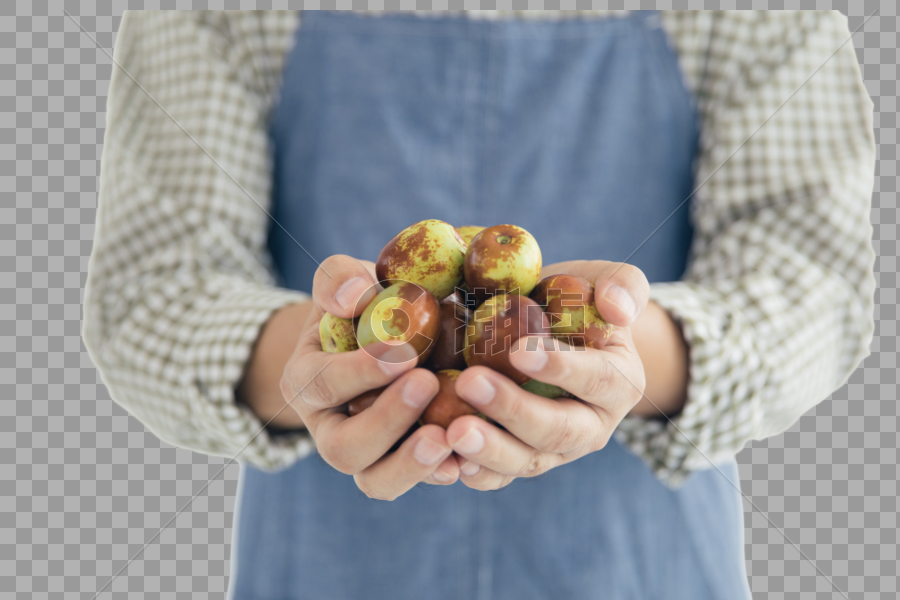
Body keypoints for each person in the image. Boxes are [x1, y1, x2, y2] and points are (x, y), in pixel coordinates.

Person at [83, 9, 875, 600]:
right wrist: (326, 363)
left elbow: (815, 280)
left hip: (643, 565)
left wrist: (621, 347)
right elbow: (151, 289)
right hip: (324, 562)